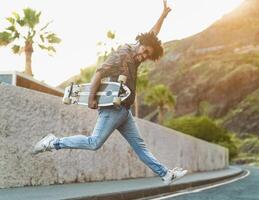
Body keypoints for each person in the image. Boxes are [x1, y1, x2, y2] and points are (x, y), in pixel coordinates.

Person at [33, 0, 187, 185]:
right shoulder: (123, 54)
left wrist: (162, 16)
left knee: (140, 147)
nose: (145, 56)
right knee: (94, 143)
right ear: (141, 44)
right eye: (145, 52)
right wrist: (91, 98)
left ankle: (165, 174)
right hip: (112, 108)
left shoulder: (138, 52)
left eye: (148, 55)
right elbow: (99, 72)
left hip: (124, 111)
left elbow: (152, 34)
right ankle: (52, 143)